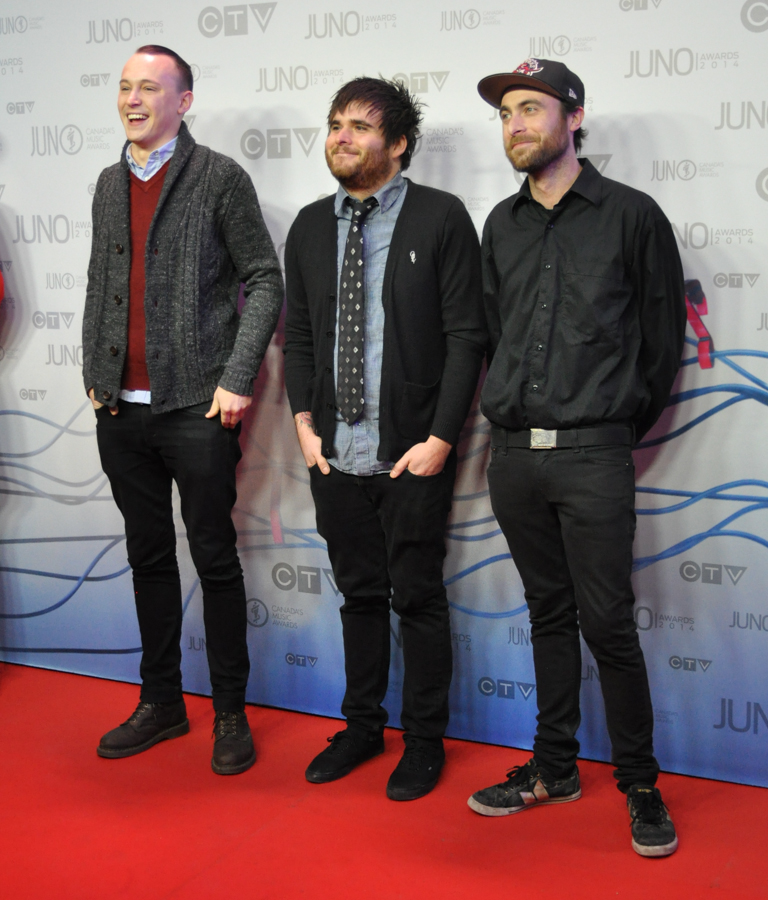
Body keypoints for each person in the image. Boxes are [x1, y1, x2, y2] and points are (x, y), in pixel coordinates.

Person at [469, 59, 685, 856]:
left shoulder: (632, 216)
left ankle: (640, 783)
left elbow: (661, 349)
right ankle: (552, 768)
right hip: (515, 458)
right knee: (546, 616)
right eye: (505, 114)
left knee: (608, 625)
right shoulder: (501, 223)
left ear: (574, 116)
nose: (516, 124)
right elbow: (493, 336)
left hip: (595, 454)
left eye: (531, 108)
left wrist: (613, 427)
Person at [283, 77, 486, 800]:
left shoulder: (440, 217)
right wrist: (304, 425)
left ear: (398, 144)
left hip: (411, 454)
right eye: (336, 123)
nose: (342, 136)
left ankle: (424, 740)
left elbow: (467, 337)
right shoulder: (309, 225)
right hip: (333, 453)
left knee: (418, 597)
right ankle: (363, 727)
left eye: (361, 126)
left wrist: (440, 438)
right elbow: (300, 336)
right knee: (358, 596)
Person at [82, 45, 283, 774]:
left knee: (214, 558)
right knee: (147, 557)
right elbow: (102, 279)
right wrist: (93, 371)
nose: (133, 99)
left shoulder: (219, 178)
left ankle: (230, 711)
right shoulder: (109, 182)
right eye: (125, 86)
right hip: (120, 412)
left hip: (198, 410)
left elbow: (264, 278)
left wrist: (236, 377)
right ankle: (161, 701)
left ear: (183, 101)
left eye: (150, 87)